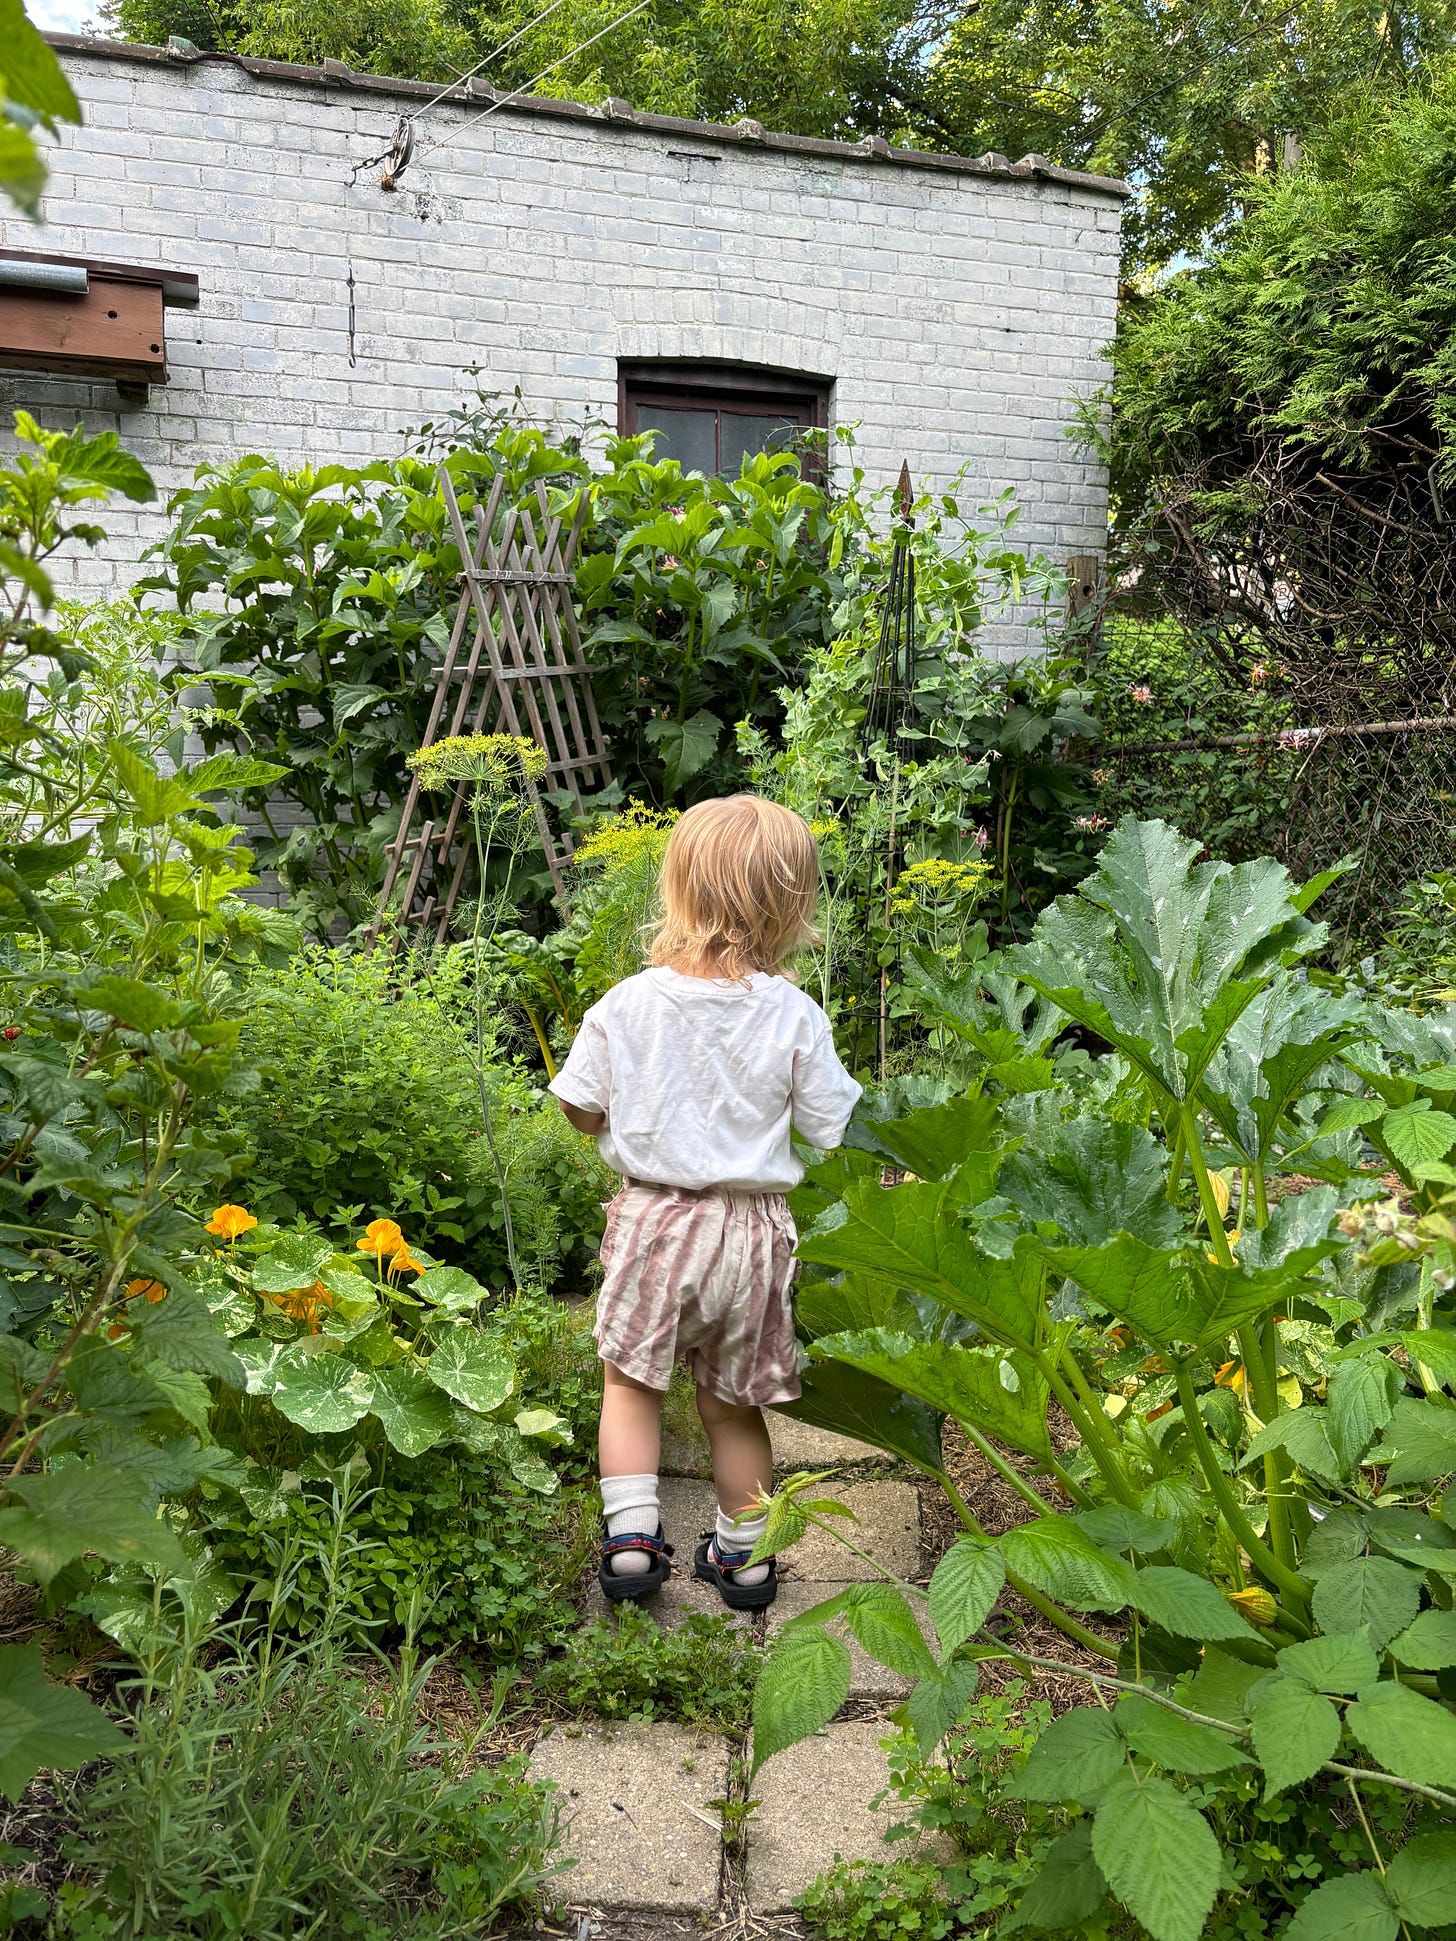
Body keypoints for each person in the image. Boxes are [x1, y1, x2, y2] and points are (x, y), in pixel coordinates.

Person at [548, 794, 861, 1610]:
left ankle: (628, 1544)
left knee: (630, 1386)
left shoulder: (628, 1003)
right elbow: (832, 1125)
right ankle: (745, 1561)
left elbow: (580, 1107)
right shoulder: (794, 1013)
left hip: (657, 1222)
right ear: (792, 908)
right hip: (752, 1234)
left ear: (677, 891)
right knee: (731, 1407)